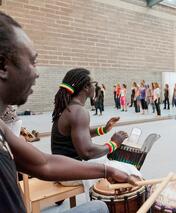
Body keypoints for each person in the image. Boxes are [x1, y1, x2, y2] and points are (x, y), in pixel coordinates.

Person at [0, 11, 137, 213]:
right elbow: (86, 152)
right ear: (2, 65)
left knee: (101, 200)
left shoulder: (2, 127)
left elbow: (44, 163)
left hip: (63, 164)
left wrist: (106, 163)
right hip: (70, 170)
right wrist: (114, 143)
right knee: (128, 170)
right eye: (33, 61)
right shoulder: (78, 111)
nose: (37, 72)